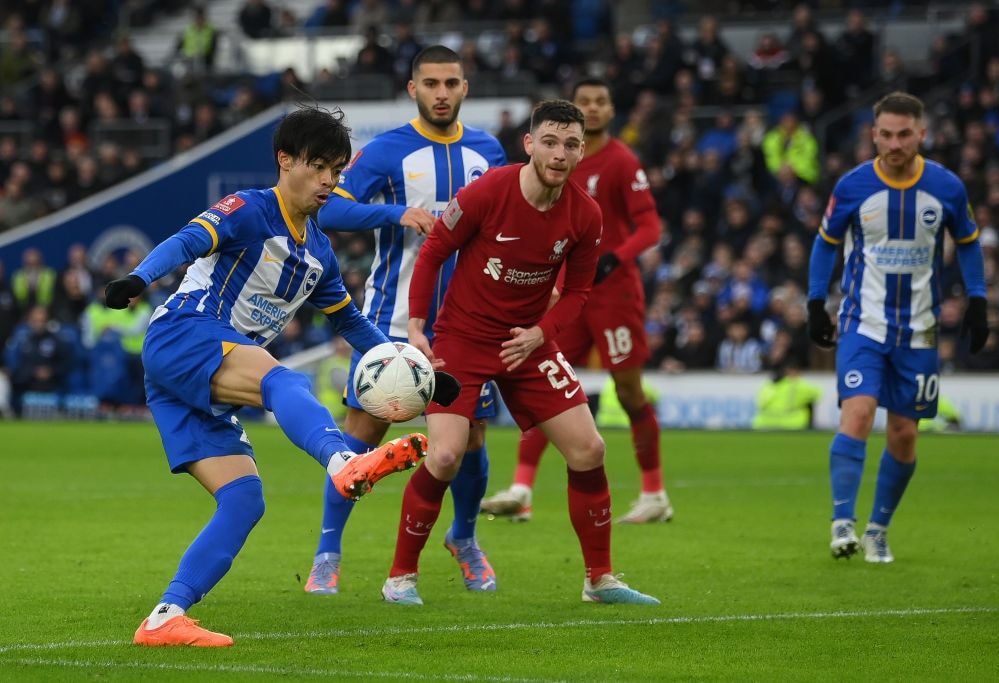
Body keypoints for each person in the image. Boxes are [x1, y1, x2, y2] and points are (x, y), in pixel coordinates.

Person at [102, 106, 447, 647]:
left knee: (244, 500)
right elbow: (189, 239)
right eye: (319, 166)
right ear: (285, 161)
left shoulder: (319, 253)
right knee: (283, 382)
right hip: (184, 334)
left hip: (198, 374)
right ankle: (343, 459)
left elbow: (352, 324)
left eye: (337, 169)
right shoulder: (249, 209)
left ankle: (165, 617)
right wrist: (140, 277)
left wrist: (419, 374)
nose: (330, 181)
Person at [382, 99, 659, 605]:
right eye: (549, 142)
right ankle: (401, 577)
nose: (559, 153)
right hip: (463, 338)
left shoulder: (586, 214)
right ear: (529, 144)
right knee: (444, 455)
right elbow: (435, 250)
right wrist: (418, 328)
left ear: (580, 153)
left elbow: (576, 293)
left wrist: (539, 331)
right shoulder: (489, 191)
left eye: (571, 144)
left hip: (527, 344)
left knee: (590, 448)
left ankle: (600, 579)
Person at [305, 45, 507, 596]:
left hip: (469, 324)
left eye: (451, 83)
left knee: (470, 441)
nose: (441, 93)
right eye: (431, 83)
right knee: (362, 436)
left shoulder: (489, 151)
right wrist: (396, 212)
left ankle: (464, 538)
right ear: (412, 88)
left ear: (466, 88)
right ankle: (328, 549)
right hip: (390, 320)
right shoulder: (389, 150)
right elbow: (331, 207)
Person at [807, 92, 989, 564]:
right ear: (873, 134)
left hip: (921, 331)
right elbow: (825, 243)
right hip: (862, 323)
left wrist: (978, 299)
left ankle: (878, 529)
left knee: (905, 433)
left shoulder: (947, 187)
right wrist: (813, 303)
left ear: (921, 134)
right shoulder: (852, 185)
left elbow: (968, 243)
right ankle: (842, 522)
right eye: (885, 134)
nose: (894, 143)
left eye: (904, 134)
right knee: (860, 413)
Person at [480, 78, 671, 524]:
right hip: (563, 295)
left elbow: (650, 228)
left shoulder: (622, 161)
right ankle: (522, 489)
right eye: (585, 101)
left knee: (628, 390)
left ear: (609, 109)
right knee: (548, 387)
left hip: (614, 296)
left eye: (601, 101)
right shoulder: (553, 160)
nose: (594, 107)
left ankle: (655, 493)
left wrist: (614, 259)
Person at [751, 357, 822, 430]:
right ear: (794, 371)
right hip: (792, 424)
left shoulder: (769, 385)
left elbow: (760, 403)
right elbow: (818, 394)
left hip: (764, 423)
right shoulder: (798, 385)